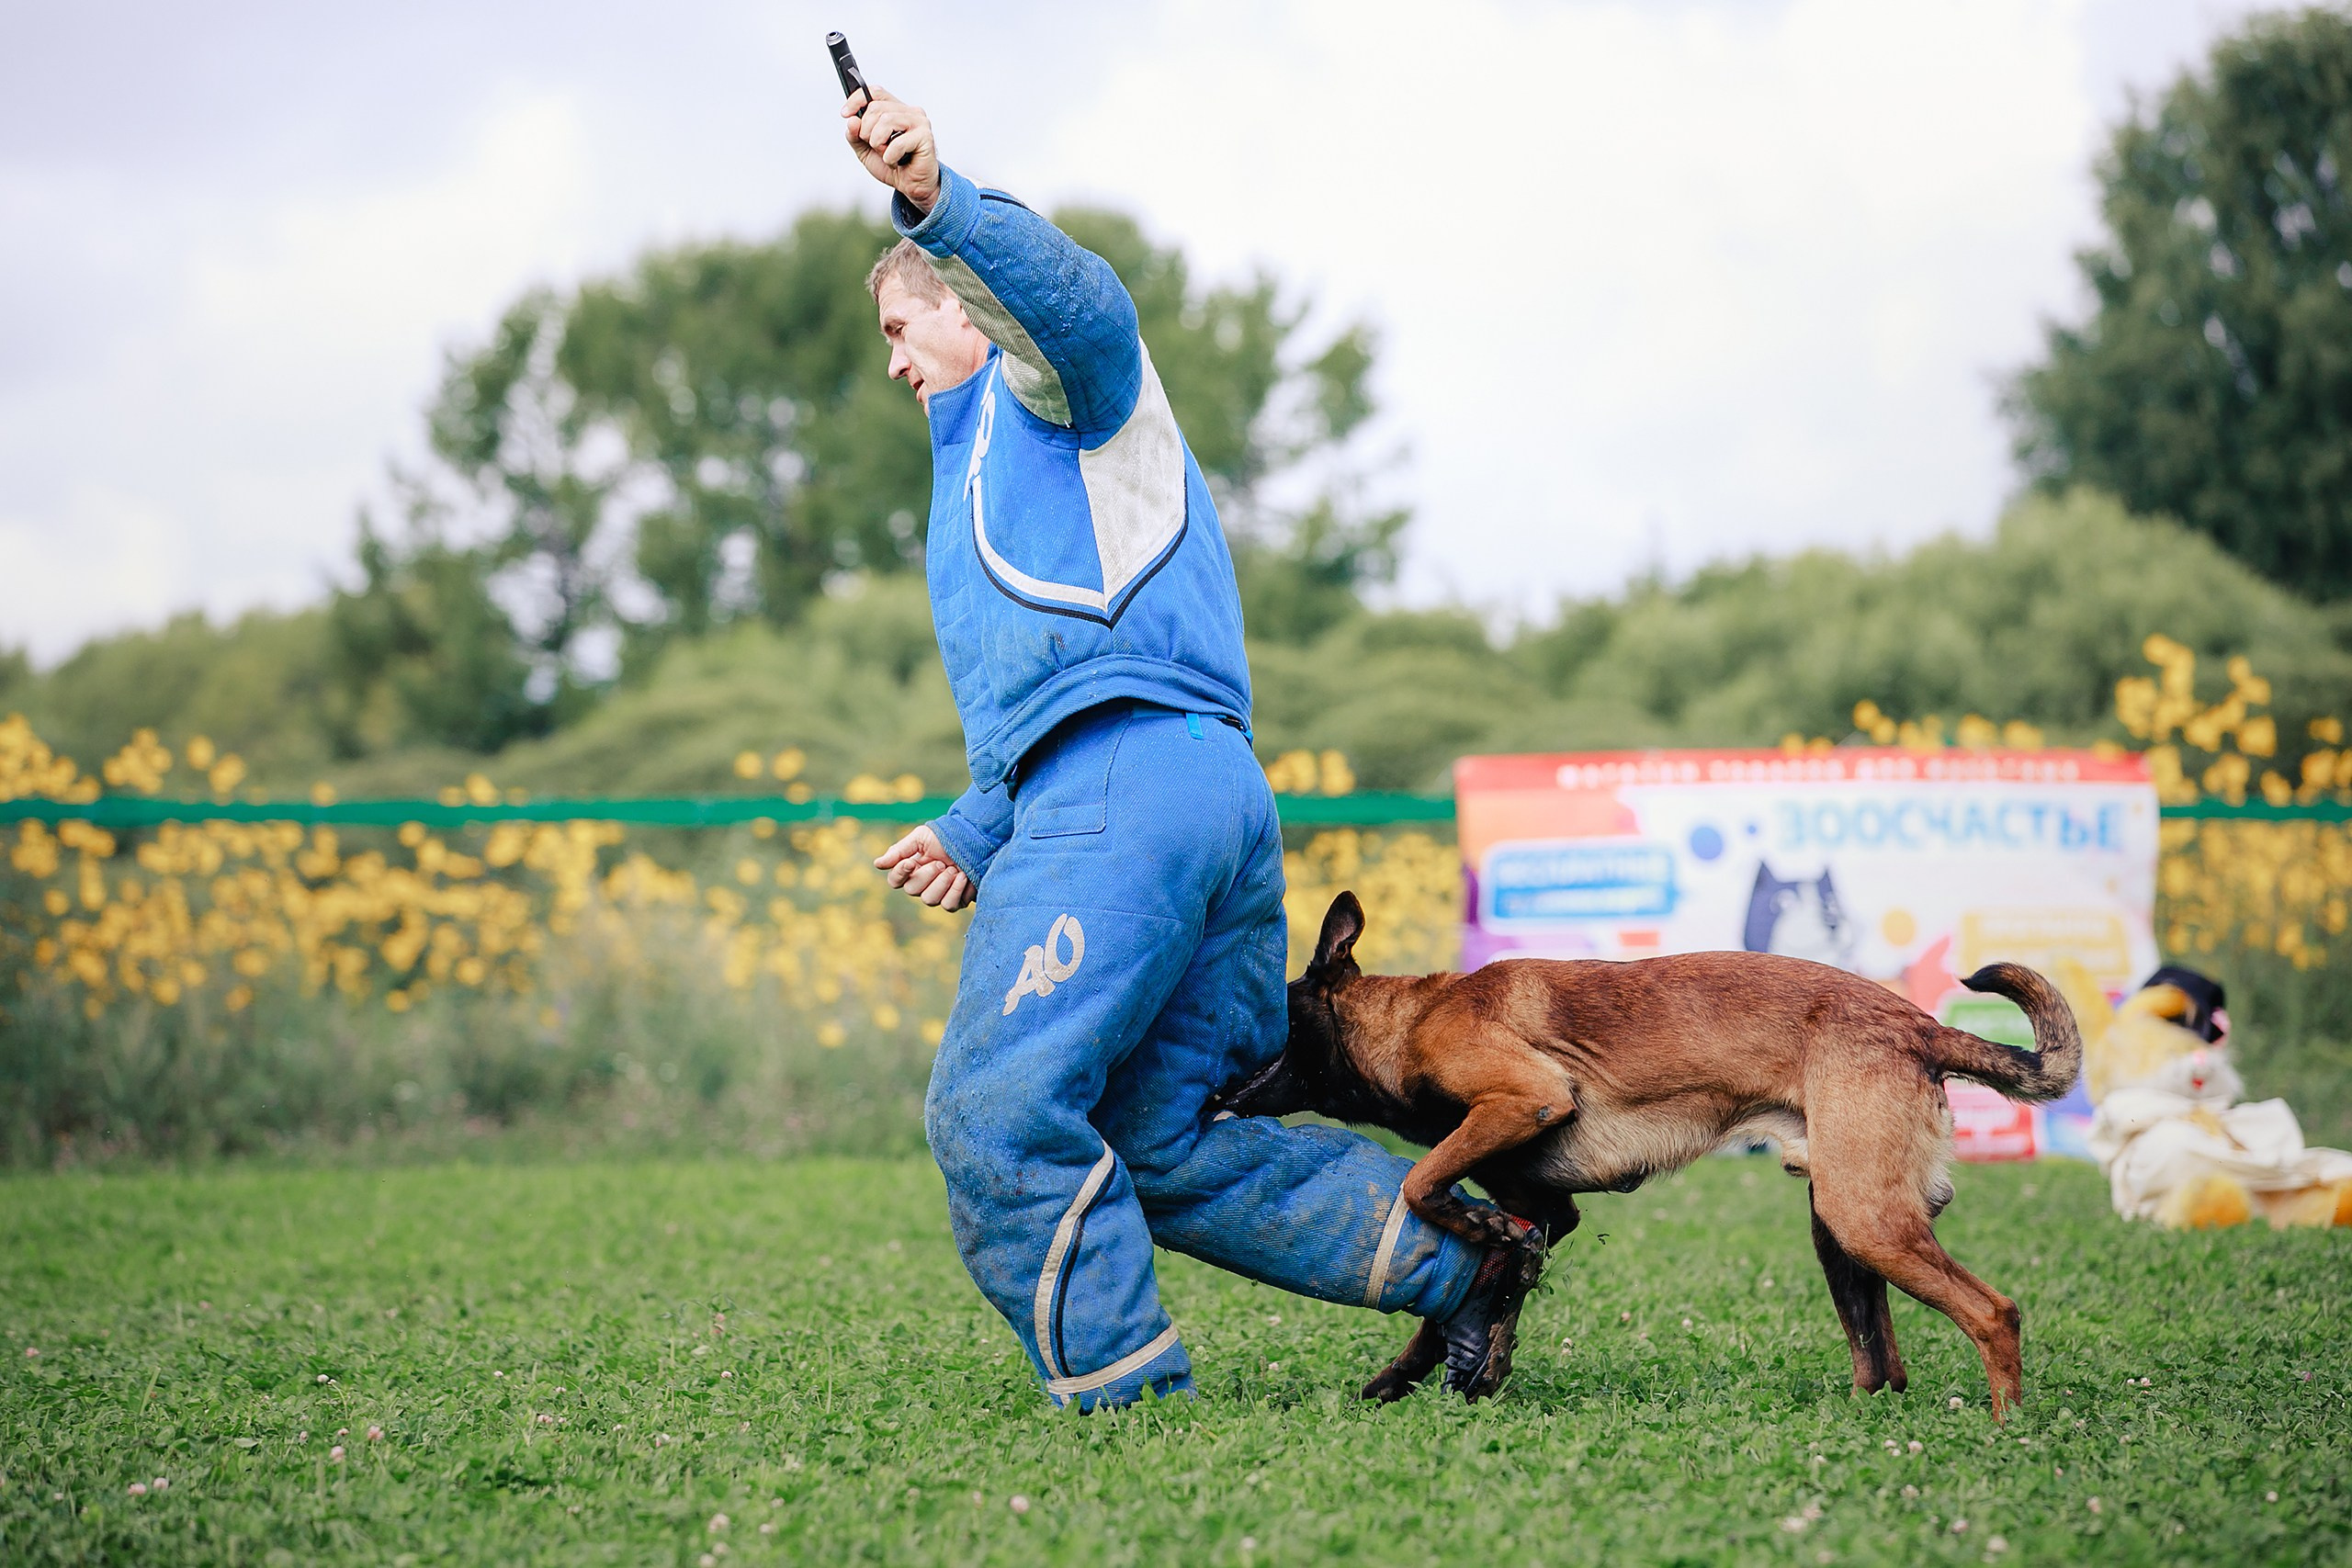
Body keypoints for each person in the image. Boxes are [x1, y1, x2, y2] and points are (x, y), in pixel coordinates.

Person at [844, 82, 1532, 1409]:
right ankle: (1465, 1256)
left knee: (994, 1115)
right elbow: (1065, 686)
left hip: (1121, 804)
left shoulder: (1061, 392)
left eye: (898, 324)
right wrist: (975, 829)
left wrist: (938, 199)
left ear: (955, 297)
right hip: (1196, 791)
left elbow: (1086, 308)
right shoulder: (989, 469)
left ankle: (1122, 1393)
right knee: (1163, 1137)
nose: (891, 360)